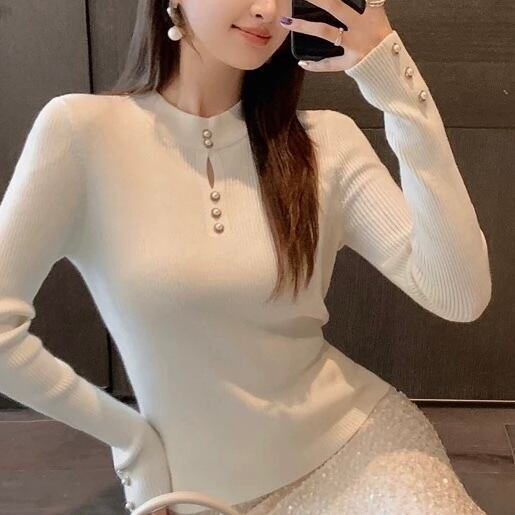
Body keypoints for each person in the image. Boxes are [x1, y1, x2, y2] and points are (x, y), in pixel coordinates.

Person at [0, 0, 491, 513]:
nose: (266, 9)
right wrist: (133, 442)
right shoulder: (81, 133)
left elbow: (460, 295)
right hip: (195, 492)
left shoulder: (325, 143)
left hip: (361, 454)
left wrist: (399, 94)